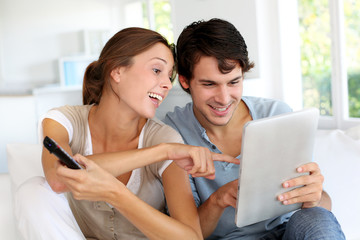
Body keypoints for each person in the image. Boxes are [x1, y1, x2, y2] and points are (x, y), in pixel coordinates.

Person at [15, 27, 239, 240]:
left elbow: (191, 237)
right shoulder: (63, 121)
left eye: (168, 76)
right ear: (117, 71)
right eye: (156, 70)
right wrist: (162, 152)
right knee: (32, 191)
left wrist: (117, 194)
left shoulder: (164, 137)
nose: (166, 85)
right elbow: (58, 179)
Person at [163, 18, 345, 239]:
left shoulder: (276, 114)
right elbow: (188, 234)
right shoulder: (173, 133)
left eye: (233, 82)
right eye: (209, 84)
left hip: (288, 231)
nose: (223, 99)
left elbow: (321, 208)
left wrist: (314, 197)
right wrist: (218, 200)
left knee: (317, 217)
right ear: (184, 81)